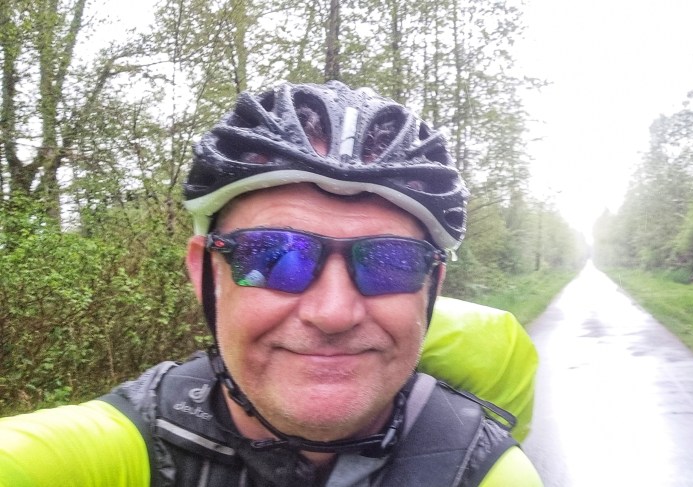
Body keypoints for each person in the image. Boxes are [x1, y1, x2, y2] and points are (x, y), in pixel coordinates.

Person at [0, 81, 542, 486]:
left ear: (432, 286)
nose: (333, 313)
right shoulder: (110, 453)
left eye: (390, 262)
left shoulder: (485, 473)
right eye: (275, 256)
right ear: (205, 273)